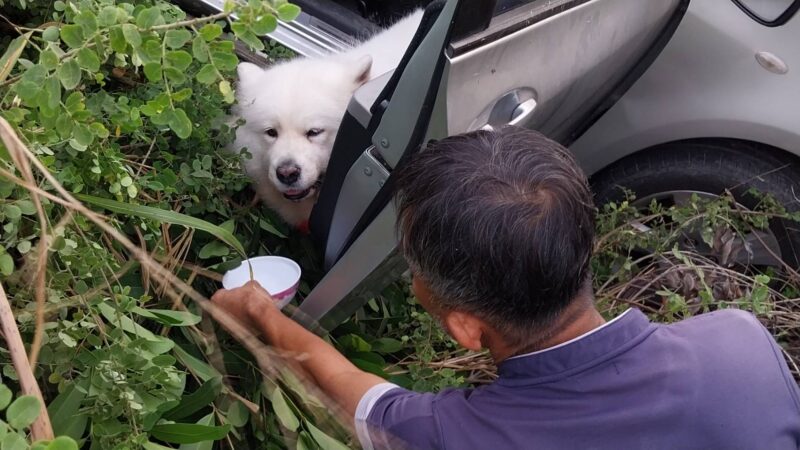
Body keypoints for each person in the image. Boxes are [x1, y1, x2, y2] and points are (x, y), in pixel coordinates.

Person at [211, 127, 800, 449]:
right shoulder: (742, 341)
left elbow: (353, 391)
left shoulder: (454, 437)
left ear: (466, 327)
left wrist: (261, 313)